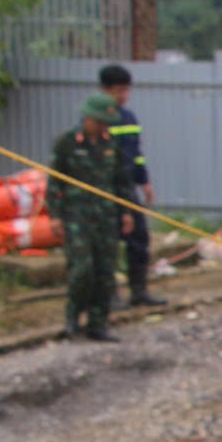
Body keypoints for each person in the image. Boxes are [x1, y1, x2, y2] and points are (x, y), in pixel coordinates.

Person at [51, 94, 130, 343]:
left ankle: (98, 323)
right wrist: (55, 216)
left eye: (106, 123)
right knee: (82, 270)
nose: (103, 127)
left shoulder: (111, 143)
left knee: (105, 272)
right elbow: (54, 182)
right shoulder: (67, 142)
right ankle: (72, 319)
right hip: (77, 217)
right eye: (99, 121)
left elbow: (121, 180)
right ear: (87, 118)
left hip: (106, 217)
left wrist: (127, 212)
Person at [98, 63, 160, 308]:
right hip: (106, 191)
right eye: (119, 91)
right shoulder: (97, 121)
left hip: (128, 189)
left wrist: (144, 182)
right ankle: (110, 294)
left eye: (126, 90)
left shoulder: (129, 118)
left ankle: (139, 290)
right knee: (109, 243)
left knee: (139, 238)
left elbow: (137, 155)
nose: (123, 95)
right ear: (105, 90)